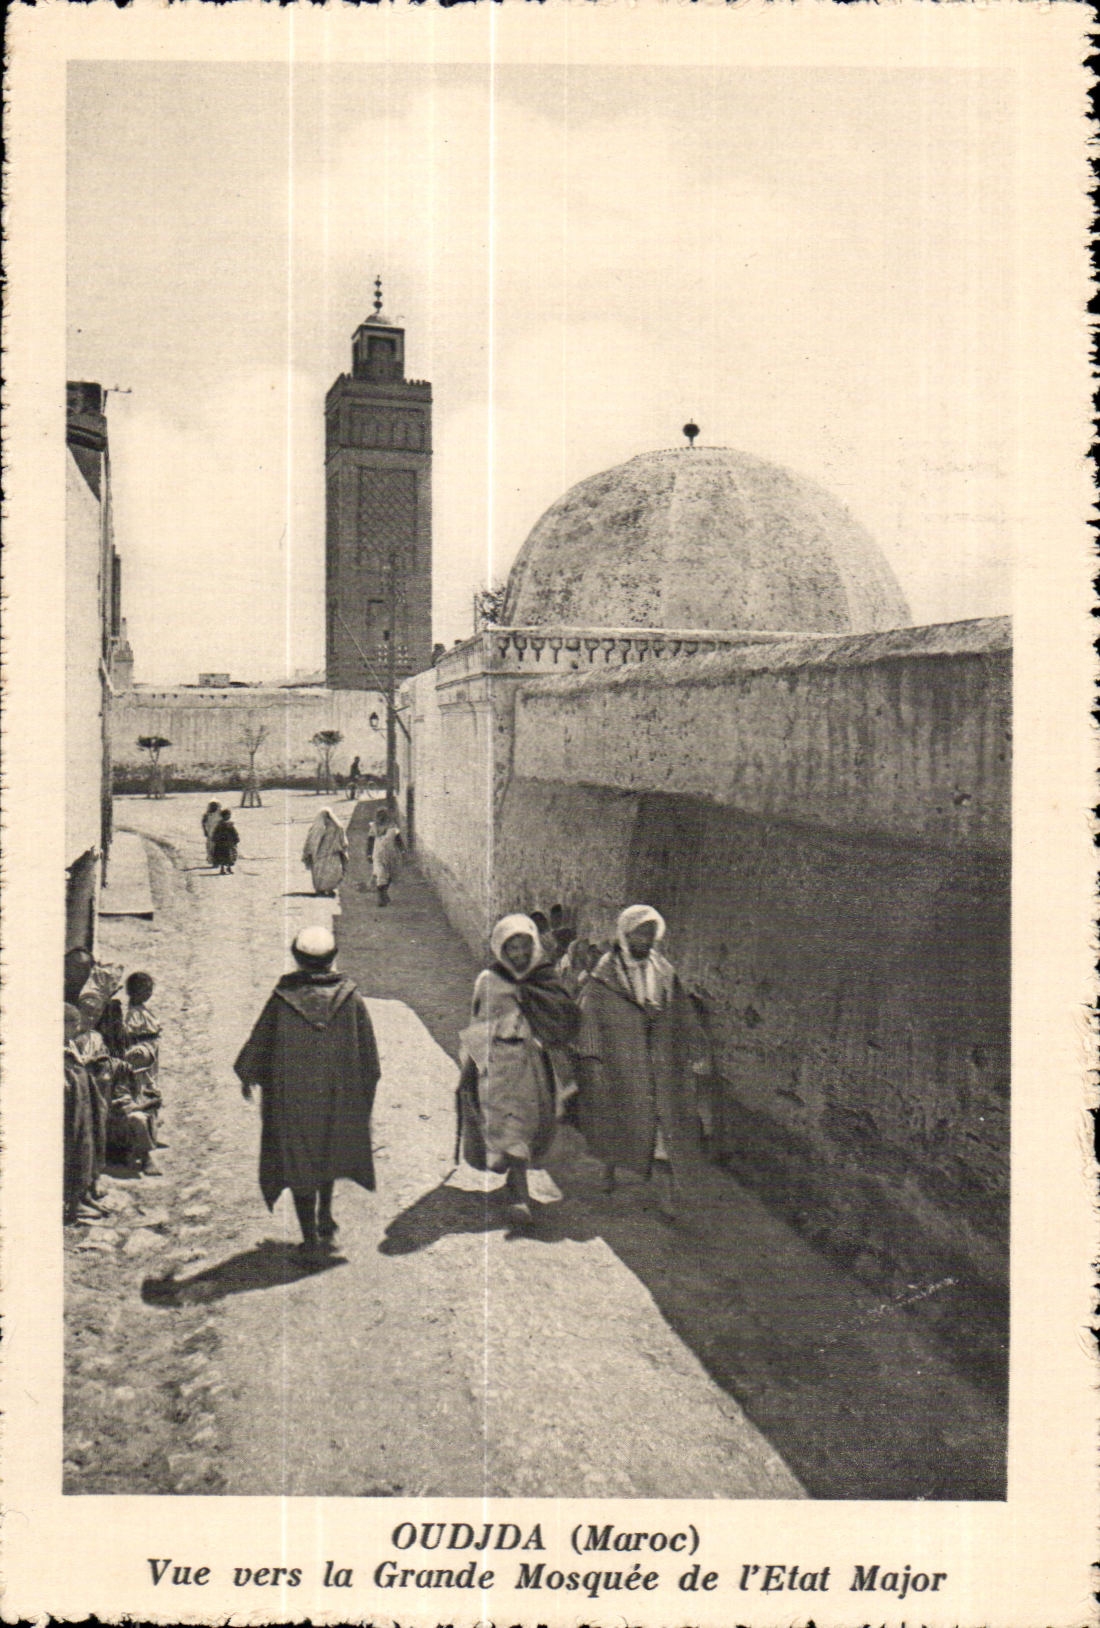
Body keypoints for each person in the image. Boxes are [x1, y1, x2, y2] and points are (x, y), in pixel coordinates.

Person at [234, 926, 380, 1260]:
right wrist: (362, 1093)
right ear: (332, 958)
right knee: (328, 1151)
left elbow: (261, 1041)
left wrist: (248, 1074)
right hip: (336, 1097)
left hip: (293, 1101)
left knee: (300, 1162)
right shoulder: (350, 997)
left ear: (297, 958)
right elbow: (368, 1056)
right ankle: (325, 1217)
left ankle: (310, 1242)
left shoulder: (283, 998)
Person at [574, 904, 710, 1219]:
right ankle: (609, 1169)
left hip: (658, 1065)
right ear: (625, 933)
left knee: (662, 1126)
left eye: (650, 933)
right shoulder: (606, 972)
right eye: (639, 932)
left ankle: (665, 1197)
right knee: (618, 1118)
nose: (645, 939)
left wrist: (695, 1046)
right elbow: (591, 1013)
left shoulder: (663, 971)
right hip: (620, 1061)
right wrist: (592, 1053)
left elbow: (681, 1011)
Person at [456, 914, 580, 1226]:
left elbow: (562, 1016)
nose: (520, 955)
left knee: (528, 1123)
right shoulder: (488, 981)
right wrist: (471, 1067)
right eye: (512, 949)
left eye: (525, 947)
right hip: (497, 1064)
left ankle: (514, 1180)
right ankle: (519, 1191)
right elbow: (477, 1024)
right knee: (508, 1126)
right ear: (501, 950)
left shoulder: (544, 978)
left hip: (532, 1063)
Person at [63, 1003, 99, 1223]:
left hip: (84, 1106)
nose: (77, 1029)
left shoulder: (71, 1045)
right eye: (72, 1025)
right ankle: (73, 1206)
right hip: (72, 1110)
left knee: (87, 1150)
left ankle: (84, 1196)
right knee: (74, 1154)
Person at [302, 807, 348, 897]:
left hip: (328, 853)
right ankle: (322, 889)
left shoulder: (330, 826)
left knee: (330, 871)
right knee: (327, 871)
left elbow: (311, 840)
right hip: (325, 853)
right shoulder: (331, 826)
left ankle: (327, 889)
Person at [371, 809, 402, 907]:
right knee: (380, 874)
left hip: (390, 854)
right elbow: (370, 840)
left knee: (389, 875)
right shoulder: (374, 827)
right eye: (379, 816)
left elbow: (398, 839)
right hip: (379, 853)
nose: (380, 818)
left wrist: (403, 850)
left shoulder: (392, 827)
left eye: (382, 816)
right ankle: (381, 898)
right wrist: (368, 853)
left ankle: (384, 894)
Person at [210, 809, 240, 874]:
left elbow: (234, 832)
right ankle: (222, 869)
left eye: (229, 815)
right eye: (228, 815)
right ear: (224, 816)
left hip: (228, 843)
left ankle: (229, 868)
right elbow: (216, 832)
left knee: (229, 856)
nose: (229, 816)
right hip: (222, 843)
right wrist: (215, 838)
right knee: (222, 856)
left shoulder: (229, 824)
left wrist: (236, 838)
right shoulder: (220, 825)